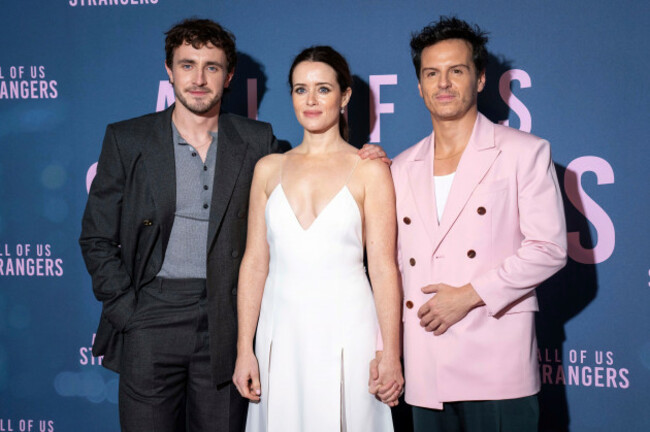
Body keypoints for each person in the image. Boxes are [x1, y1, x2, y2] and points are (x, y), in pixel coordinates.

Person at [79, 19, 387, 432]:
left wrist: (370, 154)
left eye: (212, 66)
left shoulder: (257, 141)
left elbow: (311, 163)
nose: (199, 78)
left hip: (224, 323)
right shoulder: (128, 139)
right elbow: (97, 237)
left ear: (229, 76)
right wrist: (128, 312)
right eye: (187, 65)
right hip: (150, 318)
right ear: (169, 71)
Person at [372, 17, 568, 431]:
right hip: (426, 364)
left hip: (496, 360)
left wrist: (469, 295)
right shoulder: (401, 166)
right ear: (419, 86)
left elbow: (548, 249)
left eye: (456, 71)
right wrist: (384, 351)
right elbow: (388, 267)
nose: (443, 83)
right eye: (431, 73)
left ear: (479, 79)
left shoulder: (523, 152)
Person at [232, 46, 403, 431]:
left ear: (344, 97)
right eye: (299, 89)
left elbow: (383, 267)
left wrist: (389, 353)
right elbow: (255, 263)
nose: (310, 100)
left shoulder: (369, 170)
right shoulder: (268, 169)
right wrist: (245, 349)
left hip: (349, 332)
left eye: (323, 89)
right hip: (280, 334)